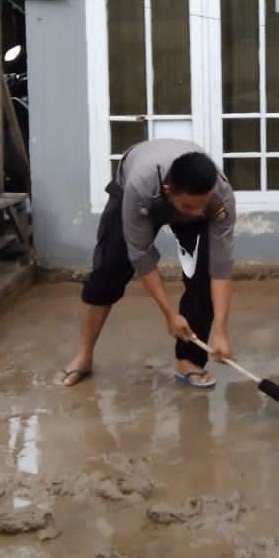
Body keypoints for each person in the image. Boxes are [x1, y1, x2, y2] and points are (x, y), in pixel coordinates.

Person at [56, 140, 236, 389]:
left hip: (181, 191)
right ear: (168, 190)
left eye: (201, 206)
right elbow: (140, 254)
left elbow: (221, 266)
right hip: (138, 193)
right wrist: (170, 314)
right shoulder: (140, 186)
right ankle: (84, 355)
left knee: (203, 275)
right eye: (188, 206)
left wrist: (221, 332)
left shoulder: (219, 197)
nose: (196, 213)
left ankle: (188, 360)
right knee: (109, 270)